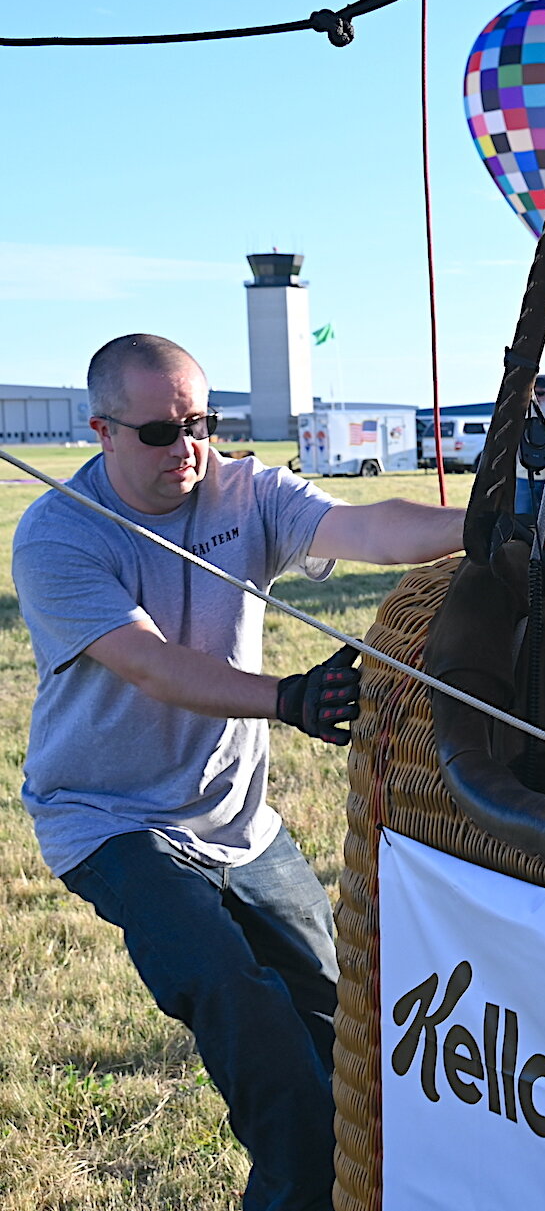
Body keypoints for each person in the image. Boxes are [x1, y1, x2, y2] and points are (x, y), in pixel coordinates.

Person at [12, 334, 466, 1211]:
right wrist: (286, 697)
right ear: (101, 430)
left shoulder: (241, 486)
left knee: (346, 1035)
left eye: (200, 422)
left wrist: (484, 522)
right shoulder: (58, 534)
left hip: (237, 821)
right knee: (254, 1030)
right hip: (113, 821)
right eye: (158, 432)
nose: (187, 448)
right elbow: (151, 666)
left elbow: (364, 526)